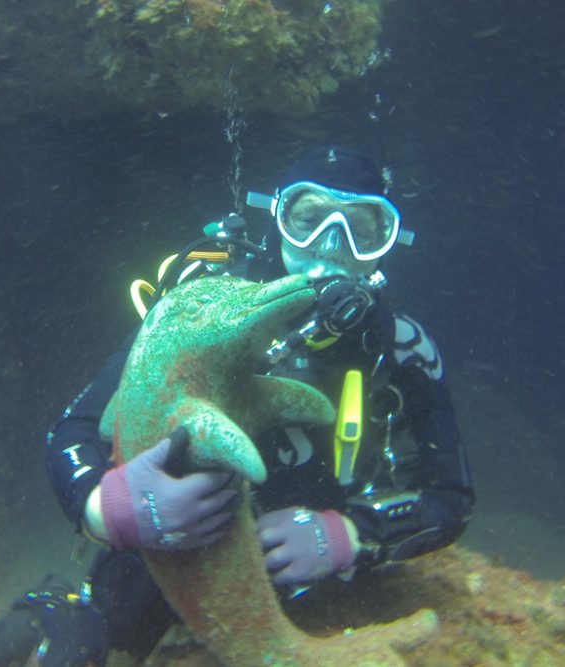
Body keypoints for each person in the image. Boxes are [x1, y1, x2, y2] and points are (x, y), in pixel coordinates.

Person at [45, 147, 475, 662]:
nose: (331, 245)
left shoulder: (404, 351)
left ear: (387, 244)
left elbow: (451, 496)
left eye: (362, 229)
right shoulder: (199, 312)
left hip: (321, 596)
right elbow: (73, 433)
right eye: (309, 219)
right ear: (277, 217)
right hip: (169, 561)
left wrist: (347, 535)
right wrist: (107, 509)